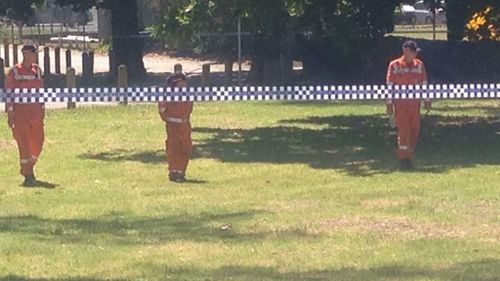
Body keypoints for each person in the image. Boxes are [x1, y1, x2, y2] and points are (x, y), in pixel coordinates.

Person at [386, 40, 431, 170]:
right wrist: (389, 102)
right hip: (400, 104)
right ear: (405, 51)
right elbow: (389, 85)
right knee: (404, 130)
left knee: (414, 130)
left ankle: (409, 154)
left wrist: (427, 100)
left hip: (414, 104)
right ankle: (403, 158)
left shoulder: (419, 65)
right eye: (412, 52)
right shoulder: (394, 65)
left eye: (415, 52)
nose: (415, 55)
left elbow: (424, 84)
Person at [5, 44, 45, 186]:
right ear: (26, 54)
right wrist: (10, 114)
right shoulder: (14, 72)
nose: (35, 55)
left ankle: (29, 167)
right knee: (24, 144)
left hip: (35, 114)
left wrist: (42, 110)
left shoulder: (38, 70)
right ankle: (27, 174)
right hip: (20, 114)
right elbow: (9, 95)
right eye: (33, 53)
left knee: (38, 143)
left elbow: (41, 92)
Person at [158, 72, 194, 182]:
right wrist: (170, 120)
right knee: (173, 147)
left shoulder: (188, 95)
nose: (184, 86)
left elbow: (189, 109)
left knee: (185, 148)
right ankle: (173, 171)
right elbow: (162, 111)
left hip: (185, 125)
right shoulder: (167, 96)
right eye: (181, 84)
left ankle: (181, 171)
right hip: (173, 126)